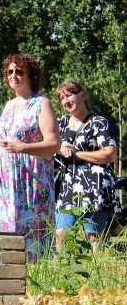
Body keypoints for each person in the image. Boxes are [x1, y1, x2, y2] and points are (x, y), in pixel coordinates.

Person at [0, 53, 60, 260]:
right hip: (4, 183)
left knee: (31, 236)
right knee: (6, 232)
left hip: (30, 182)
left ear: (32, 76)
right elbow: (4, 146)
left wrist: (24, 147)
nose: (13, 76)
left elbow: (54, 144)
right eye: (10, 72)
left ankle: (36, 283)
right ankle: (9, 279)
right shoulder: (9, 105)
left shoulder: (41, 103)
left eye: (19, 72)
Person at [53, 80, 119, 250]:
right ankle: (61, 273)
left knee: (94, 236)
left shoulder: (99, 122)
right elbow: (51, 147)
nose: (66, 101)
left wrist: (76, 153)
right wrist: (59, 147)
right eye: (62, 98)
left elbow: (110, 154)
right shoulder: (60, 124)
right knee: (61, 233)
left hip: (95, 186)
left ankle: (98, 274)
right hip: (69, 185)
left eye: (69, 95)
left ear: (82, 95)